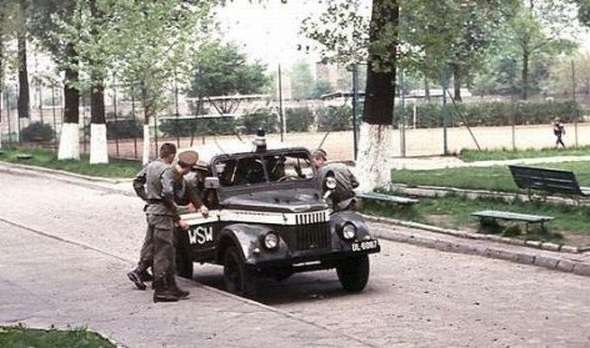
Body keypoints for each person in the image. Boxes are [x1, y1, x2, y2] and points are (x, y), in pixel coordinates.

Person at [128, 144, 205, 302]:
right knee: (164, 253)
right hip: (163, 214)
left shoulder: (151, 166)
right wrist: (177, 215)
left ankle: (172, 287)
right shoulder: (168, 170)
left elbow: (137, 182)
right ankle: (162, 290)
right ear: (171, 155)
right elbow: (168, 193)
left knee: (160, 249)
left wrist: (148, 198)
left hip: (152, 211)